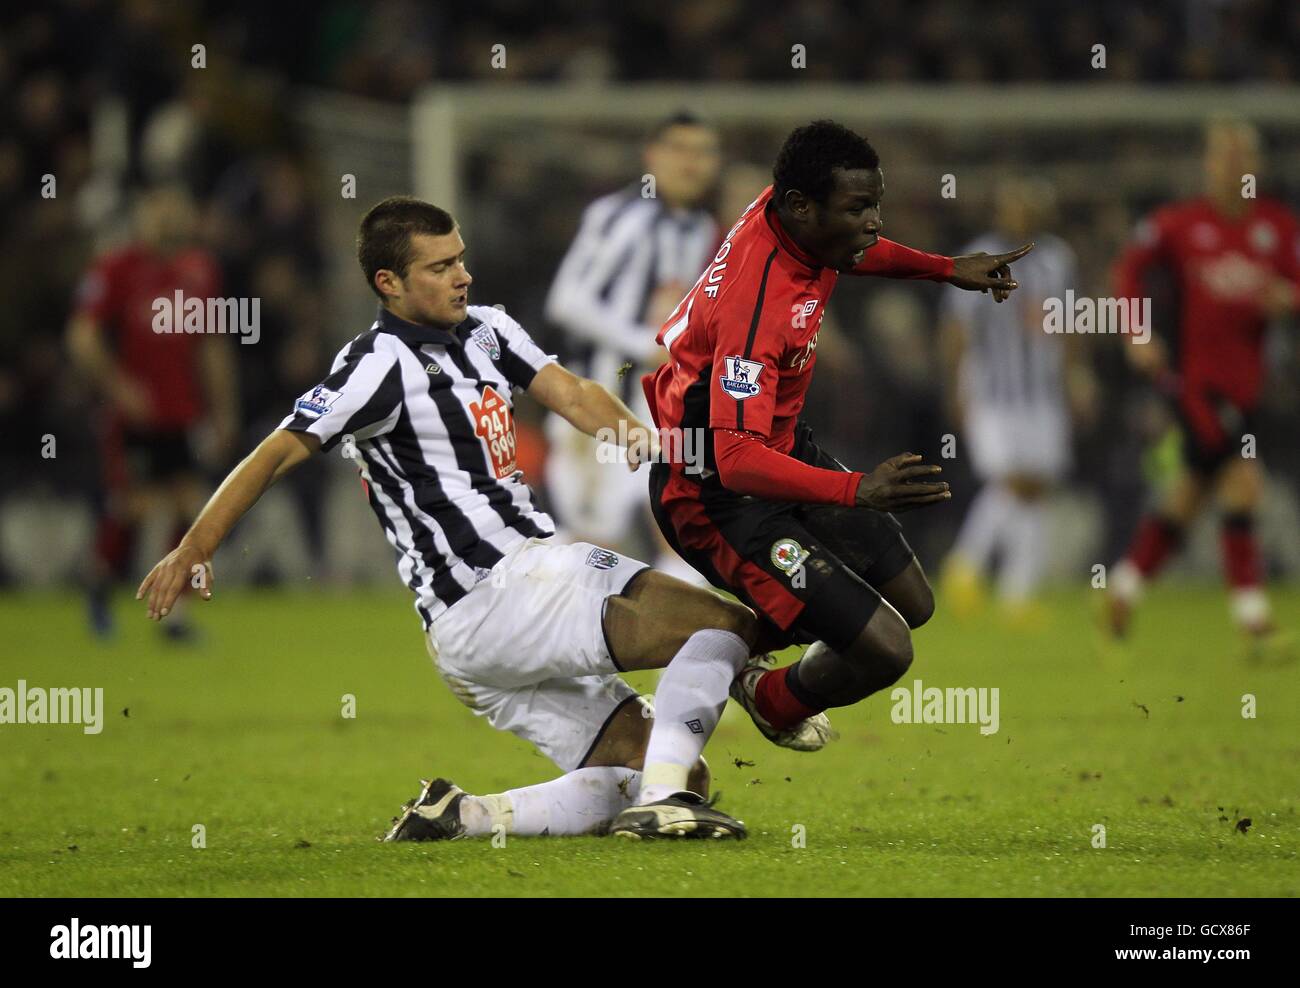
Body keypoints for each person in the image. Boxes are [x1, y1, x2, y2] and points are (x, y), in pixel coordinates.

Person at [137, 196, 825, 842]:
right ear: (389, 284)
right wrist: (193, 546)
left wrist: (641, 439)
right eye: (439, 267)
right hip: (504, 586)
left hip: (469, 637)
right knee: (723, 623)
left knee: (676, 764)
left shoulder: (488, 329)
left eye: (460, 258)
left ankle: (463, 815)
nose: (462, 275)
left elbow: (574, 394)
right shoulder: (376, 366)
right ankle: (673, 800)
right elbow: (277, 449)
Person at [643, 120, 1032, 741]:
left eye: (874, 205)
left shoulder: (795, 218)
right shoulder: (756, 307)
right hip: (714, 493)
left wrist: (944, 268)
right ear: (802, 207)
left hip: (779, 451)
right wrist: (857, 490)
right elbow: (737, 458)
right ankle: (753, 683)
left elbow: (851, 245)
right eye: (860, 208)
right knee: (886, 648)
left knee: (914, 601)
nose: (873, 222)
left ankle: (753, 656)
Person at [1106, 118, 1299, 651]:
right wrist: (1137, 332)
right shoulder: (1181, 224)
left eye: (1243, 156)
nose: (1234, 166)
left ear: (1256, 166)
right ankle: (1253, 619)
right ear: (1209, 164)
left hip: (1248, 388)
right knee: (1243, 481)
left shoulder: (1278, 228)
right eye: (1223, 155)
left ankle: (1123, 587)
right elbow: (1128, 270)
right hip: (1194, 383)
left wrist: (1289, 299)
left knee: (1189, 493)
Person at [543, 111, 721, 582]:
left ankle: (689, 655)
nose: (692, 163)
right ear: (652, 157)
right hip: (600, 395)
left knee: (687, 530)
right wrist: (644, 342)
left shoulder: (701, 227)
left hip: (656, 399)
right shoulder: (621, 216)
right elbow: (567, 300)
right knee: (591, 544)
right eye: (680, 150)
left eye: (703, 152)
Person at [67, 184, 237, 639]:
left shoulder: (200, 271)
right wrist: (118, 386)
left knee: (190, 507)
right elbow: (83, 335)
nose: (168, 217)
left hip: (181, 413)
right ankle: (101, 587)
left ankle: (175, 616)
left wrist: (222, 408)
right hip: (133, 416)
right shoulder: (117, 267)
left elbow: (212, 346)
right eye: (158, 207)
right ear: (142, 214)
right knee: (133, 507)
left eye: (175, 207)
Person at [938, 176, 1093, 622]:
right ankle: (966, 563)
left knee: (1037, 488)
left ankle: (1017, 594)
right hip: (993, 391)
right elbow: (957, 329)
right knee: (1014, 481)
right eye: (1013, 205)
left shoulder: (1059, 259)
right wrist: (955, 386)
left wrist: (1077, 378)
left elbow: (1069, 323)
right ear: (999, 211)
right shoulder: (980, 258)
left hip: (1044, 392)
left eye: (1029, 205)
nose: (1021, 214)